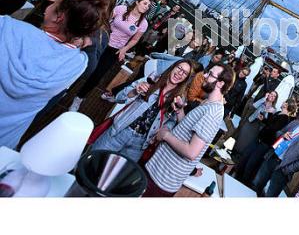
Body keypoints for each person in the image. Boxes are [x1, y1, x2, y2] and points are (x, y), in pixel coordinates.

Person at [0, 0, 111, 148]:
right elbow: (89, 55)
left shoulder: (6, 27)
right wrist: (83, 38)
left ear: (60, 16)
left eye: (55, 2)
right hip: (5, 143)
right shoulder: (77, 64)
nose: (50, 3)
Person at [143, 64, 235, 196]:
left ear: (220, 83)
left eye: (210, 74)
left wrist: (166, 135)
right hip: (159, 169)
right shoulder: (208, 103)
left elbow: (192, 152)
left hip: (163, 178)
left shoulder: (213, 112)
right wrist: (180, 111)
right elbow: (187, 130)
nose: (204, 76)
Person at [90, 60, 193, 161]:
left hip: (139, 145)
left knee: (114, 174)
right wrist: (135, 91)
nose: (180, 73)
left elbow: (175, 122)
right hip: (120, 131)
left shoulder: (179, 97)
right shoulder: (153, 79)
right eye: (179, 68)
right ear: (172, 67)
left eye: (185, 73)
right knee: (92, 161)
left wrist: (166, 127)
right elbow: (119, 98)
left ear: (186, 78)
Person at [73, 0, 151, 104]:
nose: (146, 7)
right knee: (83, 65)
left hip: (115, 50)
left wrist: (125, 49)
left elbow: (135, 39)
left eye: (148, 6)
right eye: (145, 3)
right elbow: (105, 20)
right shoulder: (122, 9)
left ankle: (79, 98)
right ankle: (66, 89)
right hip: (101, 42)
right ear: (137, 2)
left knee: (98, 74)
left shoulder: (143, 23)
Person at [252, 106, 299, 197]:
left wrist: (287, 170)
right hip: (272, 158)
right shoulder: (295, 123)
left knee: (270, 195)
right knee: (256, 184)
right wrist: (282, 135)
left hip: (283, 169)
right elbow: (278, 132)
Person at [235, 99, 297, 186]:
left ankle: (242, 182)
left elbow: (273, 129)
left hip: (265, 144)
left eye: (284, 102)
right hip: (260, 138)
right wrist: (263, 119)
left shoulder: (285, 118)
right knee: (246, 155)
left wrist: (270, 114)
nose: (283, 102)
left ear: (286, 105)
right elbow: (269, 123)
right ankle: (237, 176)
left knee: (251, 162)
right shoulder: (278, 112)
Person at [232, 90, 278, 157]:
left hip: (258, 127)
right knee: (241, 137)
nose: (272, 96)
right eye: (271, 94)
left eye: (274, 96)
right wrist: (263, 99)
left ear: (275, 99)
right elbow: (252, 107)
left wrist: (265, 115)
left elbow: (269, 121)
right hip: (251, 121)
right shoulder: (262, 101)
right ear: (268, 94)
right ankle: (234, 151)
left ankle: (239, 156)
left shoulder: (274, 109)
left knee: (248, 141)